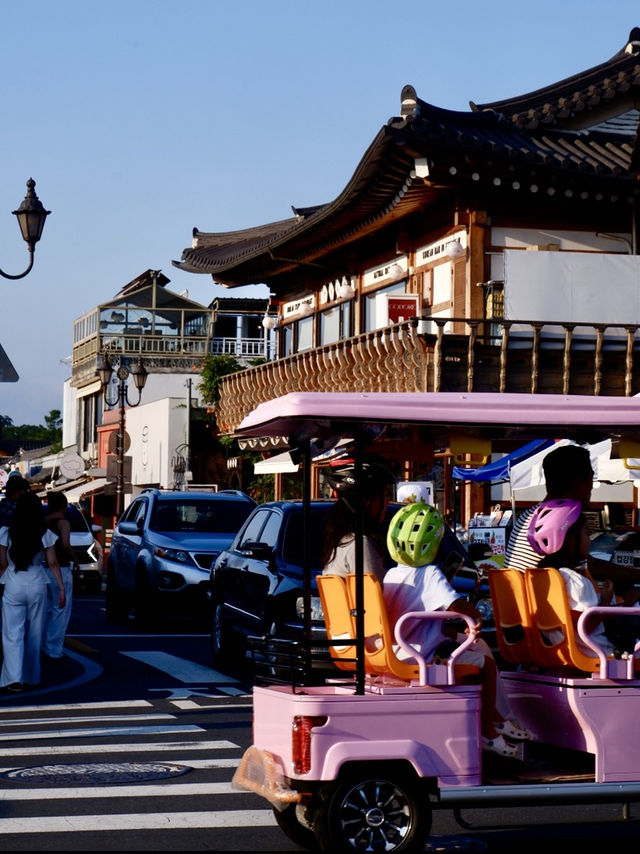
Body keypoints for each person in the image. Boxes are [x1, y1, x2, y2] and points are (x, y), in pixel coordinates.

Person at [383, 501, 529, 758]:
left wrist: (448, 632)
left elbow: (415, 617)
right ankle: (489, 731)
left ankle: (496, 716)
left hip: (401, 648)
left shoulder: (391, 575)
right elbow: (456, 604)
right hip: (422, 656)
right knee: (486, 664)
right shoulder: (428, 573)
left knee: (477, 649)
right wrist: (473, 617)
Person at [505, 444, 640, 598]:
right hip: (549, 614)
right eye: (591, 477)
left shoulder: (531, 515)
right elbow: (593, 567)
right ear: (580, 482)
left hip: (525, 609)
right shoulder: (561, 520)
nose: (591, 487)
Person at [526, 498, 627, 657]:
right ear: (571, 540)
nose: (589, 539)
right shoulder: (576, 581)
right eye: (586, 533)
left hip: (558, 651)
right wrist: (606, 602)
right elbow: (586, 626)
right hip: (595, 652)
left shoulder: (541, 576)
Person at [0, 492, 65, 692]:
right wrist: (61, 588)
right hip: (37, 583)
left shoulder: (6, 532)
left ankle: (13, 678)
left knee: (12, 632)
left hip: (13, 582)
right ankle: (31, 676)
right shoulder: (44, 533)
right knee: (35, 633)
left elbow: (2, 563)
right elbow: (53, 563)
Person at [321, 457, 395, 582]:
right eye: (386, 494)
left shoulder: (340, 541)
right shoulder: (360, 545)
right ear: (367, 501)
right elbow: (374, 598)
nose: (388, 502)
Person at [42, 492, 78, 660]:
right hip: (61, 568)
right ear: (64, 506)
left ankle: (42, 645)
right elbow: (65, 544)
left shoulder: (43, 523)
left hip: (43, 568)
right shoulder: (63, 523)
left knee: (46, 610)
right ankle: (54, 649)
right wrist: (75, 559)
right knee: (60, 610)